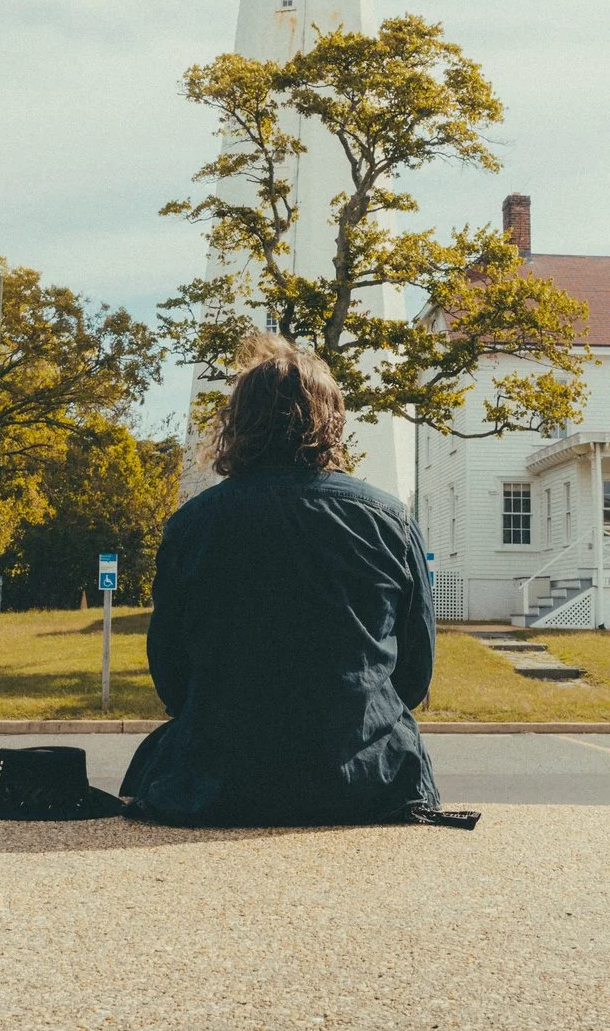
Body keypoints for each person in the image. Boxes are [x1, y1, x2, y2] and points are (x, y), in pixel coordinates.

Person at [120, 335, 443, 826]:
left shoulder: (192, 525)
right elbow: (414, 675)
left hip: (215, 784)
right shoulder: (388, 520)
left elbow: (171, 675)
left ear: (237, 425)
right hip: (368, 781)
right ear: (331, 422)